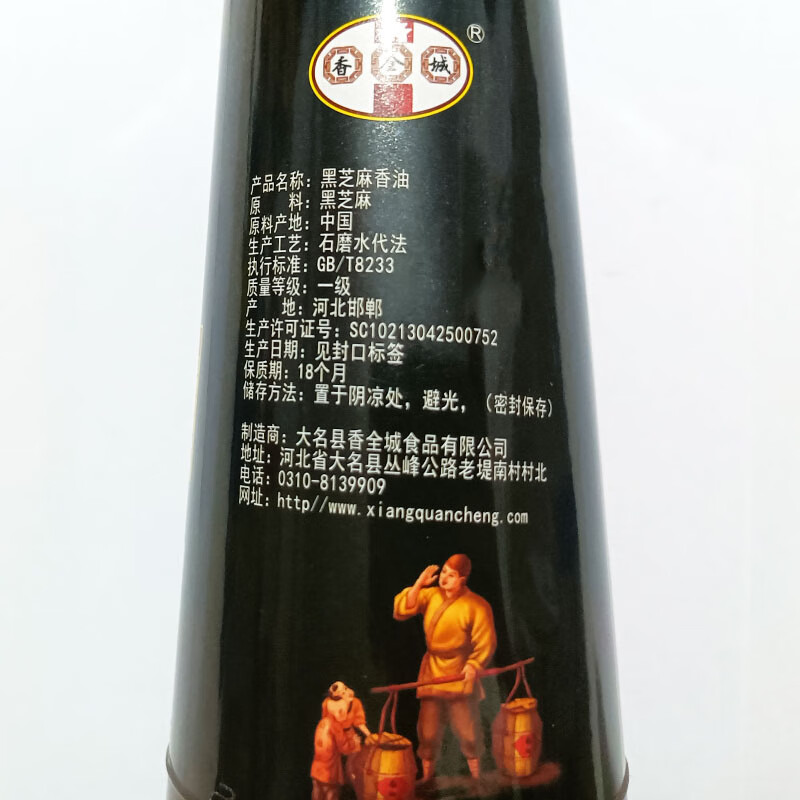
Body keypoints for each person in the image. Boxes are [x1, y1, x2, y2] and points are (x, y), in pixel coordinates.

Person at [393, 554, 497, 781]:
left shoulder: (476, 605)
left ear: (462, 580)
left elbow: (486, 641)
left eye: (452, 575)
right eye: (444, 572)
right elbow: (404, 607)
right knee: (428, 732)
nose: (444, 578)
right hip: (432, 671)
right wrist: (419, 583)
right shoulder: (432, 595)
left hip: (460, 673)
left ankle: (476, 778)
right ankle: (427, 778)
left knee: (468, 732)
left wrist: (474, 664)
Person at [310, 689, 361, 800]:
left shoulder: (323, 722)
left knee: (317, 793)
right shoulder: (336, 727)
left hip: (317, 769)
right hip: (330, 772)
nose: (345, 714)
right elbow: (345, 749)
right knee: (331, 793)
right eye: (343, 711)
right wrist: (354, 742)